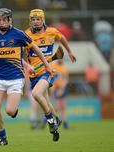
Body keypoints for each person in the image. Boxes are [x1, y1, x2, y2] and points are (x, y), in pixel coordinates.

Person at [0, 8, 54, 146]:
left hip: (15, 78)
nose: (0, 22)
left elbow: (35, 49)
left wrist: (46, 65)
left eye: (3, 20)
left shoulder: (19, 34)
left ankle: (14, 111)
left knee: (10, 111)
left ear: (10, 20)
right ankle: (2, 137)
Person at [23, 9, 76, 141]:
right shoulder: (26, 35)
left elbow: (62, 38)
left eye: (38, 19)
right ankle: (56, 119)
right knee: (46, 101)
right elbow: (18, 54)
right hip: (34, 74)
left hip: (48, 72)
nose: (35, 22)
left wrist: (69, 51)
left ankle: (51, 121)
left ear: (43, 20)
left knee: (36, 94)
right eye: (33, 19)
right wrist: (26, 65)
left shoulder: (51, 32)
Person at [49, 60, 69, 129]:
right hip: (56, 89)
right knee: (56, 107)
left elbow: (66, 78)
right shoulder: (54, 66)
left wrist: (63, 86)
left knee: (63, 106)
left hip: (62, 88)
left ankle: (65, 122)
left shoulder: (64, 67)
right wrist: (52, 89)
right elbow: (52, 77)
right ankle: (54, 121)